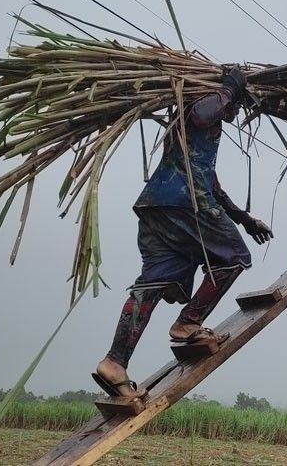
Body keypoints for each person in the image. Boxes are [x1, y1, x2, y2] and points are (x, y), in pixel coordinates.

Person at [93, 67, 273, 398]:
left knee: (152, 284)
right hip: (186, 204)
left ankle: (114, 361)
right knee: (233, 257)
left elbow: (211, 181)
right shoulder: (201, 105)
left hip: (157, 209)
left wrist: (244, 219)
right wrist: (230, 88)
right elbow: (204, 115)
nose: (236, 110)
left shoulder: (192, 129)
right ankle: (188, 322)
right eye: (236, 104)